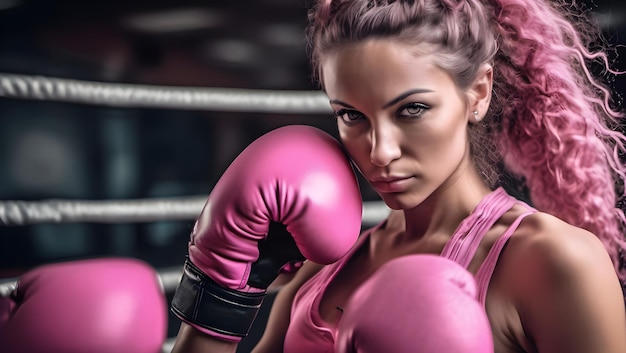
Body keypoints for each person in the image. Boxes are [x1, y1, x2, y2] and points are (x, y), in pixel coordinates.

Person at [170, 0, 626, 352]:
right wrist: (220, 290)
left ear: (479, 93)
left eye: (412, 109)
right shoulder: (323, 267)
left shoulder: (556, 263)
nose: (379, 151)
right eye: (352, 115)